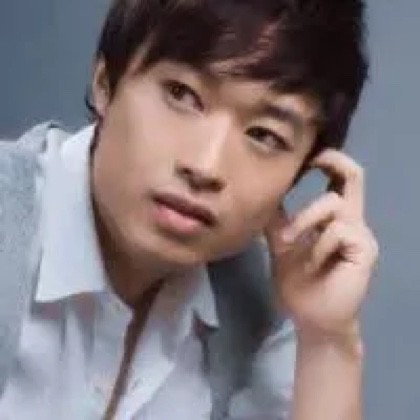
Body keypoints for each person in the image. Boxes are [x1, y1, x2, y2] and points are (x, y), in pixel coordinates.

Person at [0, 0, 379, 419]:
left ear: (300, 172)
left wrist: (327, 339)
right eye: (182, 94)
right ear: (105, 82)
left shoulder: (258, 299)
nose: (205, 166)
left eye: (264, 135)